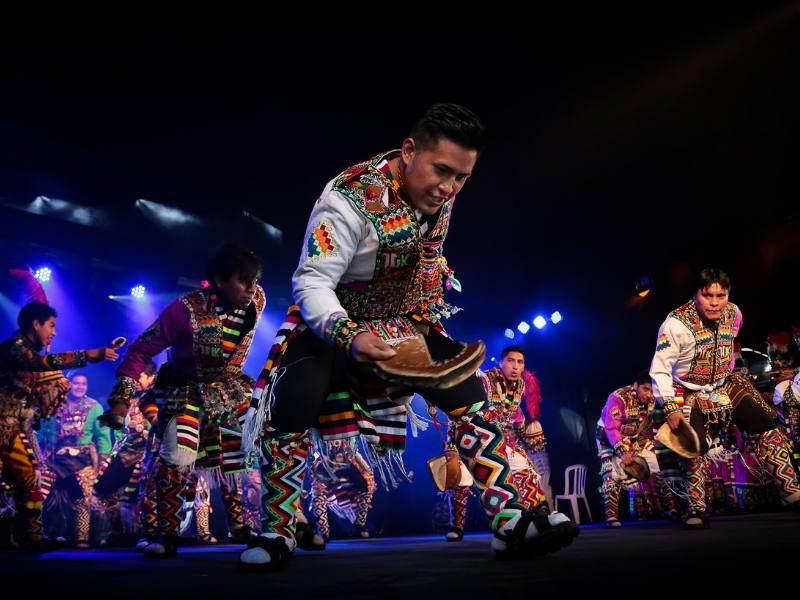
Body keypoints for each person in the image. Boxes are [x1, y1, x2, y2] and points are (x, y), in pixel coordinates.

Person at [238, 104, 578, 572]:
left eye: (461, 177)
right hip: (331, 323)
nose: (449, 187)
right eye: (441, 171)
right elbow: (312, 282)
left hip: (402, 322)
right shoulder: (346, 199)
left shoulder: (442, 193)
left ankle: (510, 521)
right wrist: (349, 335)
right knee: (294, 398)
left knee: (469, 391)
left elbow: (428, 252)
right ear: (410, 151)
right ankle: (278, 530)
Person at [103, 243, 265, 558]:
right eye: (242, 280)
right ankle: (166, 534)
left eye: (254, 280)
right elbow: (139, 351)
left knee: (242, 454)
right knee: (177, 457)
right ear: (219, 279)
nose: (250, 288)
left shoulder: (257, 299)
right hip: (184, 390)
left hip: (229, 389)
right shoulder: (184, 310)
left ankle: (242, 526)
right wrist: (121, 400)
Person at [650, 269, 800, 530]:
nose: (715, 302)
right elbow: (661, 368)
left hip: (724, 382)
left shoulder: (734, 313)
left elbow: (731, 342)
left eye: (721, 295)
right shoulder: (675, 324)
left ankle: (791, 492)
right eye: (707, 295)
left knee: (766, 424)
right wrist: (671, 407)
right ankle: (695, 509)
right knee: (694, 446)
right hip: (687, 389)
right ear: (696, 295)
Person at [0, 301, 117, 554]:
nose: (53, 333)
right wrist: (86, 355)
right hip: (4, 429)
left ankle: (32, 538)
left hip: (12, 431)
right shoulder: (13, 349)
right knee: (25, 479)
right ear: (36, 324)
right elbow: (37, 363)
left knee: (29, 478)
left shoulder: (31, 357)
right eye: (51, 326)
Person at [446, 348, 550, 542]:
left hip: (499, 441)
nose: (515, 366)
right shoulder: (484, 381)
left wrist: (523, 430)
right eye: (511, 361)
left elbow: (513, 415)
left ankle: (529, 518)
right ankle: (457, 525)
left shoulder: (520, 386)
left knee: (525, 468)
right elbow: (459, 412)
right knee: (460, 479)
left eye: (520, 362)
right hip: (472, 438)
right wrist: (452, 448)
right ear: (501, 363)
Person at [38, 371, 112, 547]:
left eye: (83, 384)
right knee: (48, 496)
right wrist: (37, 456)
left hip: (82, 457)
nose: (79, 386)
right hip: (53, 457)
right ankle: (54, 535)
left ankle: (82, 537)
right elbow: (41, 431)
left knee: (81, 496)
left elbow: (102, 435)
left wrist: (103, 460)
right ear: (67, 384)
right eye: (76, 383)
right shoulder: (52, 404)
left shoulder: (94, 407)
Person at [596, 369, 678, 527]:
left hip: (634, 437)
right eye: (645, 389)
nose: (649, 394)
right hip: (608, 437)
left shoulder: (654, 400)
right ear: (636, 385)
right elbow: (611, 428)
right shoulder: (618, 397)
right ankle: (611, 517)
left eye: (652, 390)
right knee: (613, 474)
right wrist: (622, 451)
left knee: (659, 464)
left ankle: (668, 509)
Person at [93, 360, 157, 546]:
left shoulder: (158, 398)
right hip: (126, 453)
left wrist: (148, 433)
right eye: (134, 377)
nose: (136, 380)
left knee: (147, 493)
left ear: (152, 377)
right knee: (101, 487)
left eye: (140, 377)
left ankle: (151, 534)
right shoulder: (128, 398)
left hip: (150, 455)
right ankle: (117, 529)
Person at [302, 438, 376, 549]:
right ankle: (323, 531)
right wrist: (302, 487)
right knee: (319, 494)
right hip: (324, 459)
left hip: (347, 457)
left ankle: (360, 521)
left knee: (367, 483)